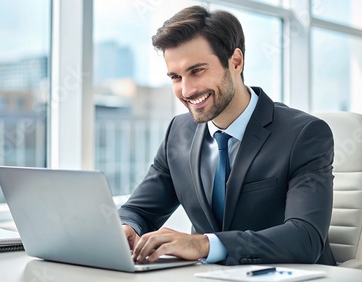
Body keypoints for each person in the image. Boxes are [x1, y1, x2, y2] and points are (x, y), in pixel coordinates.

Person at [118, 5, 336, 266]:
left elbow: (305, 238)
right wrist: (127, 227)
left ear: (235, 62)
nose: (186, 90)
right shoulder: (178, 132)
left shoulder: (304, 134)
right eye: (176, 77)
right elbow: (140, 210)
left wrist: (205, 244)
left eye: (197, 70)